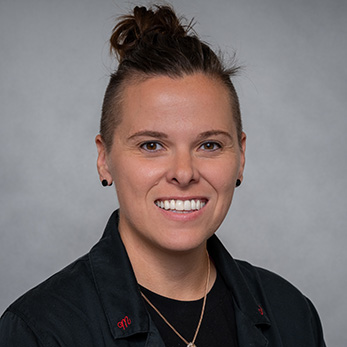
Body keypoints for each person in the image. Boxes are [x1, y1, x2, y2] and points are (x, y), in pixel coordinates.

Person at [0, 4, 326, 347]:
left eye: (210, 145)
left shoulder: (290, 312)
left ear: (241, 156)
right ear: (104, 158)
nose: (184, 173)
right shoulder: (38, 331)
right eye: (152, 145)